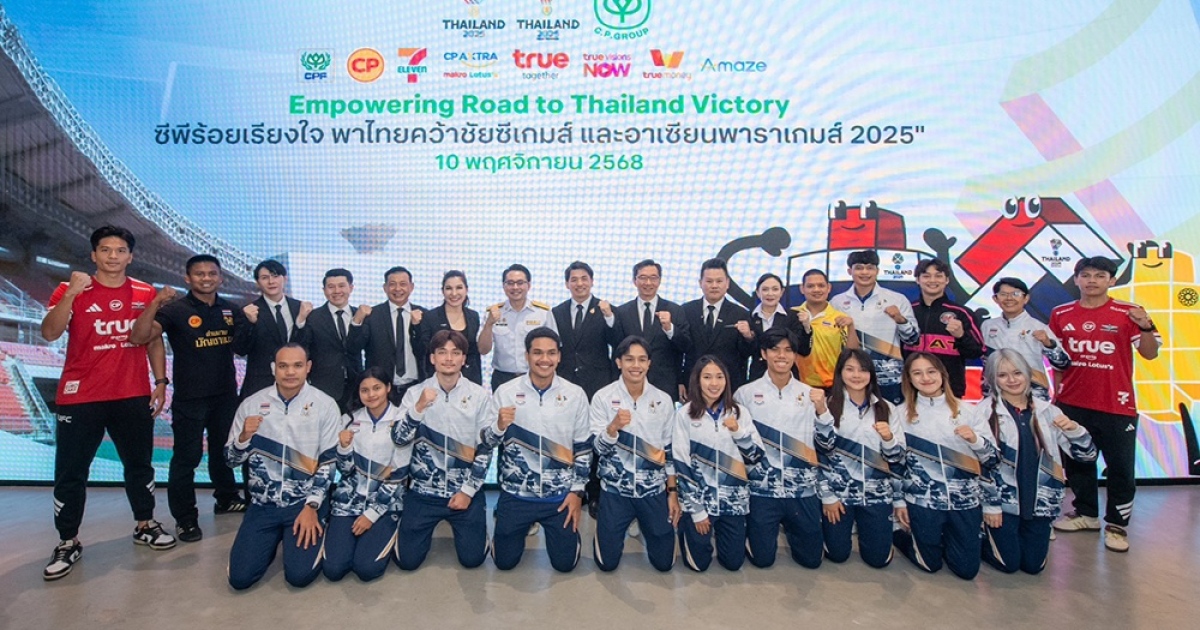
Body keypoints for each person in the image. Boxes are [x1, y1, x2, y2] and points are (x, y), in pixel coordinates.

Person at [40, 225, 174, 581]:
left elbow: (153, 340)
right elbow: (50, 332)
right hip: (80, 397)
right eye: (105, 250)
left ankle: (145, 524)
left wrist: (160, 382)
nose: (113, 256)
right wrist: (72, 293)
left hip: (132, 394)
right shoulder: (71, 289)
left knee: (139, 466)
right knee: (71, 472)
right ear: (93, 255)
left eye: (120, 250)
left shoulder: (145, 292)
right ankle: (67, 541)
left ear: (130, 256)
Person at [129, 254, 250, 544]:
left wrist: (249, 320)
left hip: (225, 396)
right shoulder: (175, 310)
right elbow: (139, 337)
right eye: (199, 273)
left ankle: (226, 498)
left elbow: (244, 348)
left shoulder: (231, 310)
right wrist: (155, 303)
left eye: (212, 273)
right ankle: (185, 519)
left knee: (224, 453)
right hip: (189, 398)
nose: (206, 278)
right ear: (188, 278)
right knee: (187, 458)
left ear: (220, 278)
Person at [1049, 256, 1160, 552]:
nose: (1092, 281)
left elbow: (1150, 354)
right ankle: (1086, 514)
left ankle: (1117, 526)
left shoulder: (1129, 312)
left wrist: (1146, 327)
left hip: (1116, 405)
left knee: (1120, 468)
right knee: (1078, 463)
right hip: (1072, 404)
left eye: (1100, 275)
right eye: (1086, 275)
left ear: (1111, 280)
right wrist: (1057, 396)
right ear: (1076, 279)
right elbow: (1057, 359)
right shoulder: (1061, 313)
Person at [225, 344, 340, 590]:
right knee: (240, 579)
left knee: (299, 576)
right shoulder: (251, 404)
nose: (290, 372)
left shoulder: (325, 405)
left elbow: (329, 464)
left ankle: (321, 522)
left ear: (308, 367)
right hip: (262, 505)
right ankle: (268, 540)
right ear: (273, 368)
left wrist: (312, 506)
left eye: (297, 365)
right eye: (283, 366)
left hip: (303, 504)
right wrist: (243, 438)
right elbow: (230, 460)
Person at [977, 350, 1096, 574]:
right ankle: (979, 536)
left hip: (1041, 501)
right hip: (1003, 504)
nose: (1012, 380)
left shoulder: (1049, 411)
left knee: (1033, 567)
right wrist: (990, 505)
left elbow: (1087, 456)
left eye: (1017, 373)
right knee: (1009, 564)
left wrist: (1076, 432)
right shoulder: (982, 413)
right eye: (1002, 375)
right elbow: (981, 465)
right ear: (993, 379)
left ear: (1028, 374)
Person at [481, 328, 590, 572]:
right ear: (527, 356)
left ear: (559, 356)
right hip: (516, 496)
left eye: (551, 353)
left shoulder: (575, 394)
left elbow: (583, 448)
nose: (544, 359)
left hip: (559, 498)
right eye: (538, 353)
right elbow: (487, 443)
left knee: (564, 565)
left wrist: (577, 492)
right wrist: (499, 426)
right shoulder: (506, 392)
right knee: (504, 563)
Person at [891, 353, 998, 580]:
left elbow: (992, 459)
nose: (926, 378)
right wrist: (899, 502)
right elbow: (895, 464)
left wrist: (975, 441)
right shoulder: (900, 414)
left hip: (965, 501)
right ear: (909, 379)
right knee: (929, 564)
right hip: (923, 501)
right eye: (917, 373)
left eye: (931, 371)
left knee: (967, 570)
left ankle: (957, 537)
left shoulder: (969, 411)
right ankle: (901, 534)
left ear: (942, 374)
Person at [392, 330, 493, 570]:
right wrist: (417, 409)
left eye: (455, 353)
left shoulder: (479, 395)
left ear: (464, 359)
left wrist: (468, 491)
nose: (448, 358)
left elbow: (486, 448)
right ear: (432, 358)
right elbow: (398, 439)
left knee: (472, 560)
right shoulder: (414, 394)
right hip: (423, 493)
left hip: (463, 492)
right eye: (442, 352)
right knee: (407, 562)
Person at [737, 329, 831, 569]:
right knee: (762, 560)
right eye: (775, 349)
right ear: (763, 354)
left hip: (802, 490)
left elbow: (827, 444)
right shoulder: (745, 394)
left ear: (795, 355)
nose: (782, 355)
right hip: (762, 491)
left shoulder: (810, 395)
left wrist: (822, 411)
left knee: (812, 561)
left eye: (788, 350)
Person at [589, 336, 679, 572]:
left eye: (641, 359)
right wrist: (612, 428)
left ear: (649, 363)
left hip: (653, 491)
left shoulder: (663, 400)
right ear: (618, 362)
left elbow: (669, 451)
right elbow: (598, 449)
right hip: (614, 491)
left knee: (664, 564)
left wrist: (672, 492)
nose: (636, 365)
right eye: (629, 359)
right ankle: (606, 530)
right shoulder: (602, 397)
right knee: (606, 564)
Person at [673, 356, 764, 572]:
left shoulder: (740, 413)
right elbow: (681, 464)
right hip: (701, 501)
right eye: (707, 377)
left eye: (719, 377)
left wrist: (738, 432)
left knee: (733, 563)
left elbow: (756, 456)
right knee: (698, 565)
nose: (714, 383)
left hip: (733, 502)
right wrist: (697, 511)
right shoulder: (685, 415)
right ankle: (689, 526)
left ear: (726, 380)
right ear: (697, 380)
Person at [820, 348, 906, 568]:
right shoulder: (827, 406)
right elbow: (819, 455)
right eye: (850, 369)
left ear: (871, 374)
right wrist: (828, 496)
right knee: (837, 555)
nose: (856, 375)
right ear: (840, 372)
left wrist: (888, 439)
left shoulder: (887, 408)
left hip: (877, 495)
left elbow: (897, 459)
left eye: (863, 370)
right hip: (840, 495)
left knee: (878, 560)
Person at [323, 367, 408, 582]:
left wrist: (371, 514)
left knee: (366, 569)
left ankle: (393, 529)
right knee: (333, 570)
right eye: (365, 390)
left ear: (388, 388)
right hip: (349, 502)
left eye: (377, 388)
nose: (371, 395)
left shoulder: (401, 421)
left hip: (385, 505)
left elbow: (399, 475)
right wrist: (344, 448)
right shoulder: (349, 420)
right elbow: (345, 470)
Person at [831, 250, 919, 405]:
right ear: (850, 271)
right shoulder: (837, 302)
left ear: (877, 271)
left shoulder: (897, 299)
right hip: (852, 376)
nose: (865, 272)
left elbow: (913, 339)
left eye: (870, 268)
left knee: (891, 418)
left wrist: (900, 319)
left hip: (888, 378)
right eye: (859, 268)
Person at [904, 258, 985, 398]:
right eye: (926, 276)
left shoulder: (962, 313)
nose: (932, 280)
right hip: (912, 390)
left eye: (938, 276)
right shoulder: (907, 311)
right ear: (917, 280)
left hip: (950, 390)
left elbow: (977, 352)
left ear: (947, 280)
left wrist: (961, 336)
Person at [613, 259, 691, 402]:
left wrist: (670, 329)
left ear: (659, 280)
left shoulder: (675, 310)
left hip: (664, 384)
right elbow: (617, 349)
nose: (648, 283)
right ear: (634, 281)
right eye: (643, 277)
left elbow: (685, 346)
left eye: (653, 278)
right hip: (630, 384)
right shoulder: (622, 312)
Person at [980, 277, 1070, 400]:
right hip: (995, 395)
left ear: (1026, 298)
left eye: (1015, 294)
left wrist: (1049, 344)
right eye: (1003, 294)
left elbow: (1064, 364)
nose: (1009, 298)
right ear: (995, 299)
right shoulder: (987, 326)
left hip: (1032, 395)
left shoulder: (1038, 327)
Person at [348, 266, 427, 404]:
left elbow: (425, 351)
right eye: (392, 284)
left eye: (403, 284)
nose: (398, 289)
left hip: (415, 389)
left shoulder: (424, 315)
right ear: (385, 288)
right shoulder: (372, 316)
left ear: (411, 287)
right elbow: (353, 348)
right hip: (381, 391)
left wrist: (417, 327)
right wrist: (356, 321)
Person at [681, 258, 753, 398]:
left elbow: (747, 353)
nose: (714, 286)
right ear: (700, 283)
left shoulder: (740, 313)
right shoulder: (686, 310)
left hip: (729, 386)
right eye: (709, 281)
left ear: (727, 283)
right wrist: (680, 380)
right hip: (694, 385)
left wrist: (748, 337)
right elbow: (679, 350)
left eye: (719, 281)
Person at [239, 259, 312, 399]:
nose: (271, 281)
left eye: (275, 276)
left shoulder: (301, 308)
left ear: (285, 279)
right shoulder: (248, 310)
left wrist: (301, 322)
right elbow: (241, 349)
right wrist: (250, 324)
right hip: (261, 384)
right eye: (265, 278)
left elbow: (307, 345)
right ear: (257, 282)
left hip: (296, 383)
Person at [478, 264, 557, 391]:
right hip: (502, 378)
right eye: (510, 283)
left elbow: (554, 348)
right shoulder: (492, 313)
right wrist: (488, 324)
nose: (515, 287)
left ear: (528, 285)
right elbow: (483, 350)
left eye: (520, 283)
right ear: (504, 286)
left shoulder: (543, 312)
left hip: (535, 376)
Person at [552, 261, 619, 399]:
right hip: (565, 381)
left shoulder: (607, 309)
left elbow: (617, 342)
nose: (579, 284)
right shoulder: (557, 312)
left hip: (598, 381)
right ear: (567, 284)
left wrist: (609, 317)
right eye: (574, 280)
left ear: (592, 281)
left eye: (584, 279)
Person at [305, 268, 365, 412]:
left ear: (351, 288)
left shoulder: (362, 315)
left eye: (341, 286)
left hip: (357, 387)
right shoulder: (312, 317)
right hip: (324, 387)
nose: (337, 291)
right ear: (324, 290)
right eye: (331, 287)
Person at [794, 269, 859, 391]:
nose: (816, 290)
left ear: (829, 288)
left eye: (821, 285)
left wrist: (850, 327)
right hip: (797, 384)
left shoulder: (840, 318)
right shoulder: (792, 315)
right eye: (810, 286)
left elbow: (853, 351)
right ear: (802, 289)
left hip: (831, 384)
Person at [418, 270, 483, 385]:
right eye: (448, 288)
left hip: (469, 381)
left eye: (459, 288)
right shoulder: (430, 317)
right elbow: (423, 352)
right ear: (442, 291)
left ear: (466, 290)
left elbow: (475, 353)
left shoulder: (473, 316)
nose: (454, 293)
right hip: (438, 382)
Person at [745, 273, 810, 382]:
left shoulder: (793, 317)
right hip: (758, 376)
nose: (770, 294)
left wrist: (807, 327)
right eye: (765, 289)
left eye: (775, 289)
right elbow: (745, 352)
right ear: (758, 292)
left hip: (787, 375)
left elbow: (804, 351)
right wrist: (748, 337)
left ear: (782, 292)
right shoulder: (749, 317)